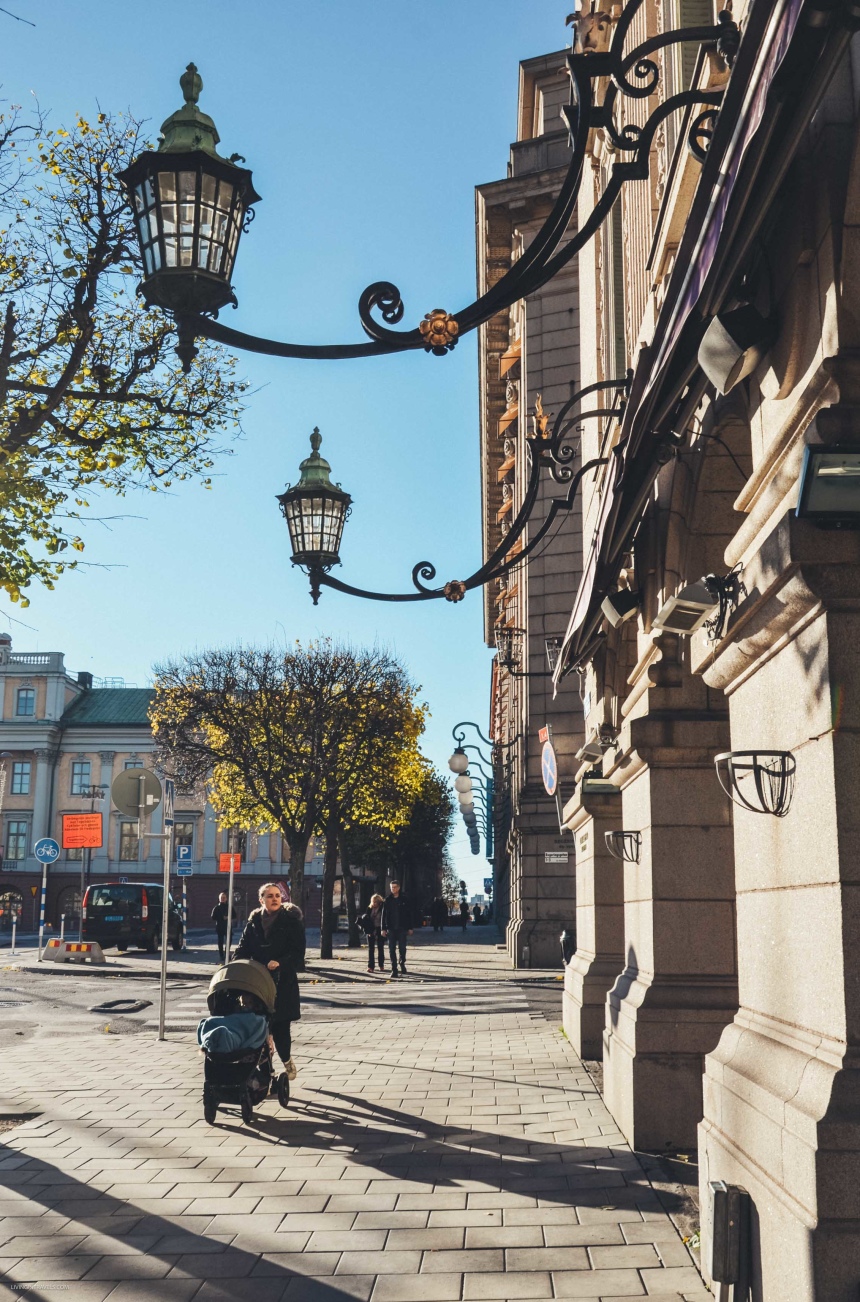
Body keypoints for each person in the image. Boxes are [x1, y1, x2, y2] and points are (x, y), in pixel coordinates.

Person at [232, 882, 305, 1081]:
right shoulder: (253, 922)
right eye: (270, 896)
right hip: (257, 984)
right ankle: (265, 1072)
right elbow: (241, 949)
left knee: (280, 1028)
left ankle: (287, 1060)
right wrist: (238, 964)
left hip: (282, 983)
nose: (275, 899)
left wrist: (280, 963)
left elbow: (298, 954)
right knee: (259, 1028)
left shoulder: (291, 922)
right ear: (261, 900)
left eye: (277, 896)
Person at [381, 880, 413, 978]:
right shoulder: (387, 900)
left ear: (398, 888)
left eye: (395, 887)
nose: (393, 889)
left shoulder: (404, 899)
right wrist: (383, 928)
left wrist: (410, 927)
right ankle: (394, 969)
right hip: (391, 928)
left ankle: (402, 962)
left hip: (402, 928)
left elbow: (409, 914)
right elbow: (384, 915)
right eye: (392, 887)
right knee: (391, 949)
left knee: (402, 948)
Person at [360, 893, 385, 973]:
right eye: (373, 902)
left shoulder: (382, 909)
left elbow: (384, 919)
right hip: (370, 929)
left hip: (379, 929)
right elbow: (367, 920)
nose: (374, 904)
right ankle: (371, 966)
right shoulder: (369, 908)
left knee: (380, 947)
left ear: (379, 902)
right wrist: (368, 930)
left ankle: (381, 964)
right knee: (371, 949)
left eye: (375, 902)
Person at [211, 891, 229, 964]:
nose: (223, 899)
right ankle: (221, 955)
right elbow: (213, 917)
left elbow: (234, 915)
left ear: (226, 899)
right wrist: (221, 918)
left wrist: (228, 917)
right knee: (220, 941)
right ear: (219, 899)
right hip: (220, 926)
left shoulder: (229, 907)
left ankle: (227, 954)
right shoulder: (217, 907)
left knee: (228, 941)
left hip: (228, 926)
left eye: (224, 897)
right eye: (221, 898)